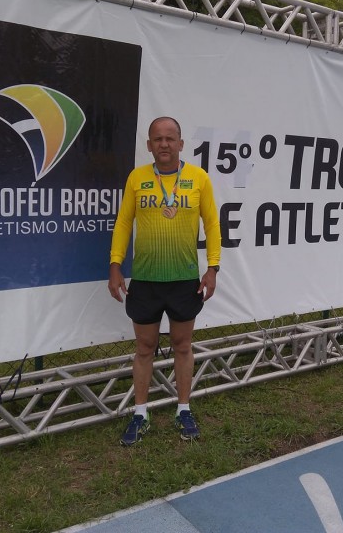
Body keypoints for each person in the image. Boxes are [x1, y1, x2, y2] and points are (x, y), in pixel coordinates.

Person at [108, 116, 221, 445]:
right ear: (149, 145)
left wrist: (213, 267)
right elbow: (123, 223)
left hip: (184, 278)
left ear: (181, 144)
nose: (164, 144)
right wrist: (115, 265)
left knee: (182, 345)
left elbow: (212, 225)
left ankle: (183, 408)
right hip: (145, 279)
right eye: (158, 139)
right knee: (144, 347)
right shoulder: (137, 178)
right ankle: (140, 412)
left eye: (171, 138)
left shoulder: (198, 178)